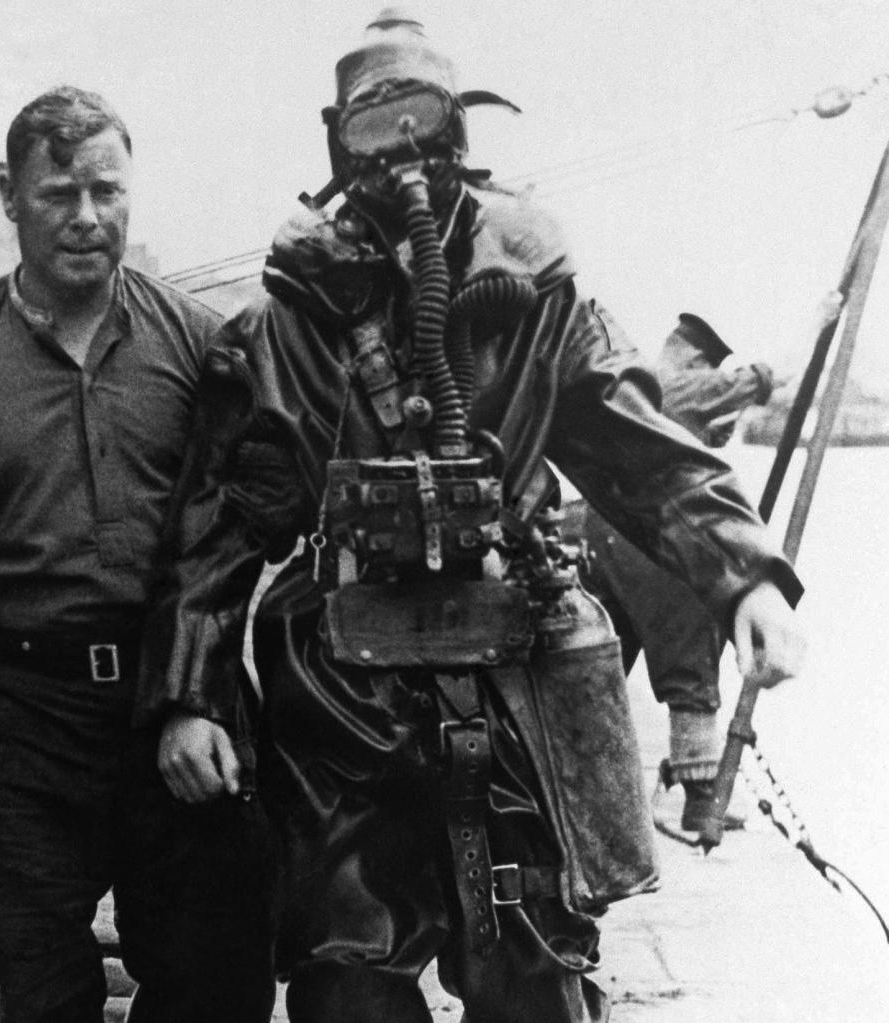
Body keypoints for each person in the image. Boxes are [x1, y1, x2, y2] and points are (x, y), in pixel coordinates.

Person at [141, 11, 806, 1023]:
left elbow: (647, 455)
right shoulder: (285, 327)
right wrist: (190, 692)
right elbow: (221, 526)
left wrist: (746, 578)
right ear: (335, 145)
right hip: (342, 689)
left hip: (521, 670)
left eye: (422, 123)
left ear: (462, 132)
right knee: (345, 974)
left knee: (537, 966)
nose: (403, 158)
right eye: (374, 130)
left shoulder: (541, 302)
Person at [0, 86, 275, 1023]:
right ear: (8, 194)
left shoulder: (202, 348)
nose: (86, 218)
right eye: (58, 194)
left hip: (177, 710)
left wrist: (199, 696)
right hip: (24, 725)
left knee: (212, 988)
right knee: (44, 994)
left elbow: (246, 530)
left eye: (106, 193)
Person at [573, 309, 827, 832]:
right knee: (690, 654)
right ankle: (700, 797)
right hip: (653, 535)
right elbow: (776, 374)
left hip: (596, 529)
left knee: (604, 663)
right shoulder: (687, 384)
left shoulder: (638, 381)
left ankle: (580, 787)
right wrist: (819, 321)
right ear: (697, 356)